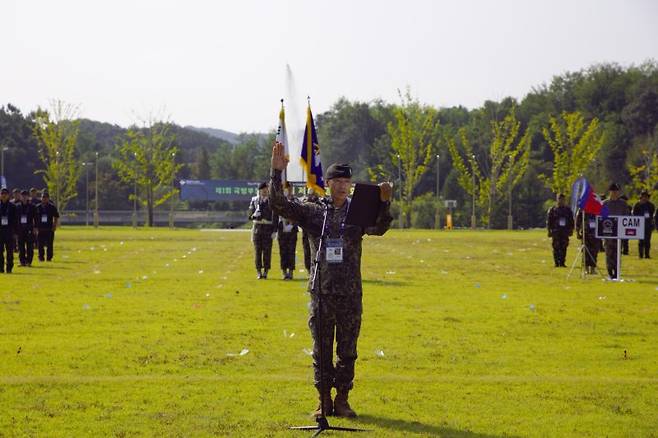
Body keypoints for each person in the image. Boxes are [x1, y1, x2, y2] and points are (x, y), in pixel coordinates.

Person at [270, 142, 393, 418]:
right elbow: (279, 204)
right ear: (327, 184)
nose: (343, 186)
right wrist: (276, 173)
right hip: (322, 293)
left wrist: (385, 202)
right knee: (322, 350)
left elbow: (380, 228)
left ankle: (342, 399)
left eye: (347, 181)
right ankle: (323, 399)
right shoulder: (316, 212)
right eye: (338, 181)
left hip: (349, 295)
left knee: (347, 349)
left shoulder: (358, 210)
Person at [248, 182, 276, 279]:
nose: (264, 192)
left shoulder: (271, 201)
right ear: (259, 191)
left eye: (266, 190)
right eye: (263, 191)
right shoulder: (255, 201)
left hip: (268, 227)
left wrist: (275, 230)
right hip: (258, 228)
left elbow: (275, 216)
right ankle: (259, 271)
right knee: (258, 251)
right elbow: (249, 216)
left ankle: (266, 271)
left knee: (267, 251)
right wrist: (254, 215)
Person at [602, 183, 629, 279]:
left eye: (616, 191)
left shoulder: (623, 204)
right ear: (610, 192)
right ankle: (610, 272)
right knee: (609, 253)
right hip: (608, 232)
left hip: (619, 233)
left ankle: (616, 272)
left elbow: (627, 217)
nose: (615, 193)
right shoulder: (605, 203)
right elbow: (601, 218)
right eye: (613, 191)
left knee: (617, 253)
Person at [277, 182, 299, 280]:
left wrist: (292, 223)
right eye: (286, 188)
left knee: (291, 250)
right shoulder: (279, 200)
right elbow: (275, 213)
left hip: (292, 229)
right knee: (283, 250)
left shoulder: (296, 200)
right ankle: (284, 271)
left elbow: (299, 214)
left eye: (289, 188)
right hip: (282, 228)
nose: (288, 190)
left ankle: (290, 272)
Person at [546, 193, 574, 267]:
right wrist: (549, 231)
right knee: (556, 247)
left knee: (564, 247)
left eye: (563, 199)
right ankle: (556, 262)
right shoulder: (553, 210)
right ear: (557, 200)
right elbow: (549, 221)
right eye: (560, 199)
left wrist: (571, 230)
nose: (561, 201)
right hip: (556, 232)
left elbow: (571, 221)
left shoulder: (568, 210)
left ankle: (562, 262)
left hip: (564, 232)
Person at [35, 191, 59, 262]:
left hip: (49, 228)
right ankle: (41, 257)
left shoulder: (52, 207)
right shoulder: (37, 207)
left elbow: (56, 216)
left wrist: (54, 225)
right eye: (43, 197)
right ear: (41, 198)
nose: (44, 199)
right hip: (40, 228)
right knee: (40, 245)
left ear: (48, 198)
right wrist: (35, 227)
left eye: (46, 197)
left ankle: (49, 258)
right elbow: (34, 217)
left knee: (49, 244)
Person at [16, 190, 37, 267]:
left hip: (29, 229)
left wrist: (35, 227)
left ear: (28, 197)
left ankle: (29, 262)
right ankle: (22, 262)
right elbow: (15, 219)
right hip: (20, 229)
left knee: (30, 246)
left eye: (26, 195)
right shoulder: (17, 207)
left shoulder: (32, 207)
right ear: (21, 197)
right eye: (23, 195)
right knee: (21, 247)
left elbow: (36, 218)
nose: (24, 197)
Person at [575, 208, 600, 274]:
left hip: (595, 233)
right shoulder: (582, 209)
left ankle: (593, 268)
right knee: (585, 251)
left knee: (594, 252)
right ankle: (586, 268)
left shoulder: (597, 206)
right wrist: (577, 231)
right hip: (586, 232)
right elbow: (578, 220)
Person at [301, 188, 320, 272]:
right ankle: (309, 268)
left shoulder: (320, 201)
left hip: (317, 229)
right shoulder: (304, 201)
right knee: (307, 249)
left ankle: (318, 268)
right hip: (306, 229)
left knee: (318, 249)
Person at [632, 190, 655, 259]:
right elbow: (634, 214)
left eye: (646, 196)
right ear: (641, 197)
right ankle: (640, 255)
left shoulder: (651, 205)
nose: (645, 198)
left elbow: (651, 214)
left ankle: (647, 255)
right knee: (641, 241)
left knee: (647, 241)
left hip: (648, 225)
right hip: (639, 225)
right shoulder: (637, 204)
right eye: (643, 196)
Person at [0, 188, 18, 273]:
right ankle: (0, 268)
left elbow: (16, 220)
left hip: (9, 231)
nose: (3, 195)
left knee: (10, 251)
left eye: (5, 194)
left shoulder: (12, 206)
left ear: (8, 195)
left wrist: (15, 233)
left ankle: (9, 268)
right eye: (2, 193)